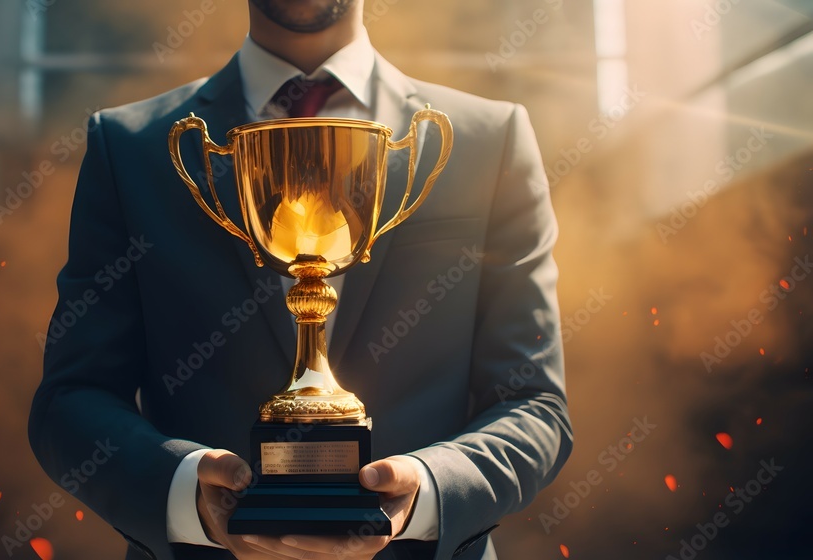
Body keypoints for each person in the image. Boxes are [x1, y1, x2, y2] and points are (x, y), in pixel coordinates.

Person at [29, 1, 573, 558]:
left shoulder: (489, 139)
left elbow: (534, 404)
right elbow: (72, 400)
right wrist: (183, 488)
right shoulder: (132, 147)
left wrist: (430, 489)